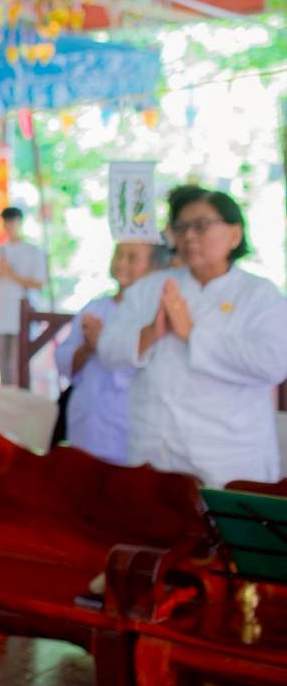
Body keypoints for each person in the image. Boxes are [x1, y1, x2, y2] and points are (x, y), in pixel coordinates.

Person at [99, 190, 287, 486]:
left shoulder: (260, 295)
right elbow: (108, 350)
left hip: (227, 456)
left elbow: (273, 363)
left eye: (201, 226)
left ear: (235, 235)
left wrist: (191, 334)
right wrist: (151, 333)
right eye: (181, 227)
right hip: (155, 449)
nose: (188, 236)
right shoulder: (150, 288)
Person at [52, 241, 162, 464]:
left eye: (132, 258)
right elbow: (65, 361)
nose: (122, 263)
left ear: (154, 267)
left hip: (128, 422)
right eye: (118, 255)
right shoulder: (95, 307)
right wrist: (88, 348)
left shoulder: (153, 314)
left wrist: (104, 345)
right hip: (87, 419)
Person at [0, 205, 48, 387]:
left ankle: (20, 399)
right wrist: (0, 272)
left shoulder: (33, 252)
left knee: (20, 366)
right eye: (7, 222)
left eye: (13, 222)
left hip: (21, 316)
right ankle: (6, 398)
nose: (10, 226)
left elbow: (39, 283)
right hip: (0, 316)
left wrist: (12, 274)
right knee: (3, 369)